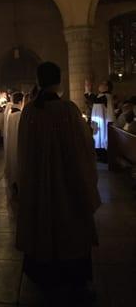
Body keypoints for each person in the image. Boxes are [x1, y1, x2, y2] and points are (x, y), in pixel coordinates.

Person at [17, 62, 101, 297]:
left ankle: (44, 275)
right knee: (70, 227)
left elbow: (23, 150)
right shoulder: (68, 110)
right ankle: (73, 278)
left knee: (43, 223)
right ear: (59, 80)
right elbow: (83, 149)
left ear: (38, 80)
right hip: (67, 183)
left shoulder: (30, 111)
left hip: (40, 183)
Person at [85, 80, 115, 160]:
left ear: (107, 87)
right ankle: (98, 153)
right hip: (98, 120)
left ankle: (103, 155)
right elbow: (91, 98)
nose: (100, 84)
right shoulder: (100, 95)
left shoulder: (107, 96)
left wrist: (89, 90)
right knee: (97, 136)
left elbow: (95, 99)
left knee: (101, 137)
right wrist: (87, 89)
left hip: (103, 121)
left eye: (102, 83)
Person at [4, 92, 24, 196]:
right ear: (21, 101)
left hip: (11, 143)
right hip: (17, 145)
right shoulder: (19, 115)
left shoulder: (10, 113)